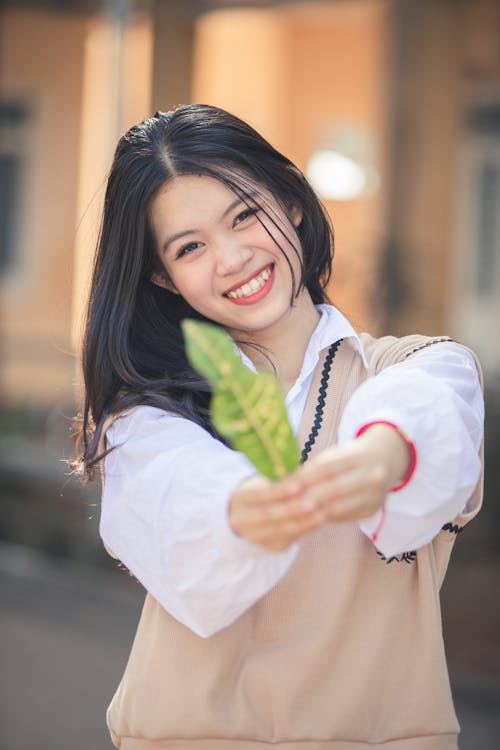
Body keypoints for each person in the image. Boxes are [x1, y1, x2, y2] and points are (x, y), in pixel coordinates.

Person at [77, 104, 484, 750]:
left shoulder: (416, 368)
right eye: (190, 247)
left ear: (291, 201)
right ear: (164, 277)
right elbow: (178, 490)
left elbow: (431, 407)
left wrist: (381, 456)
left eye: (244, 215)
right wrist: (249, 511)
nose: (233, 258)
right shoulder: (149, 417)